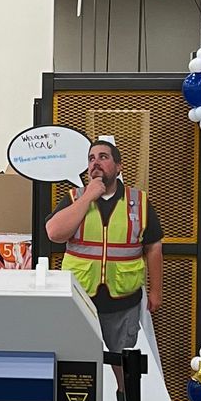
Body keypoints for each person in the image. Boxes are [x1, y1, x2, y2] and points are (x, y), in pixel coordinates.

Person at [44, 134, 164, 353]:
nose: (95, 162)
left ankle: (120, 379)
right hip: (80, 300)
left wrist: (156, 291)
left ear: (118, 167)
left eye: (103, 157)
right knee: (80, 358)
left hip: (124, 302)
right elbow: (54, 233)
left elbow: (154, 246)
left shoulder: (138, 201)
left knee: (123, 360)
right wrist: (88, 197)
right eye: (91, 158)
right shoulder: (75, 197)